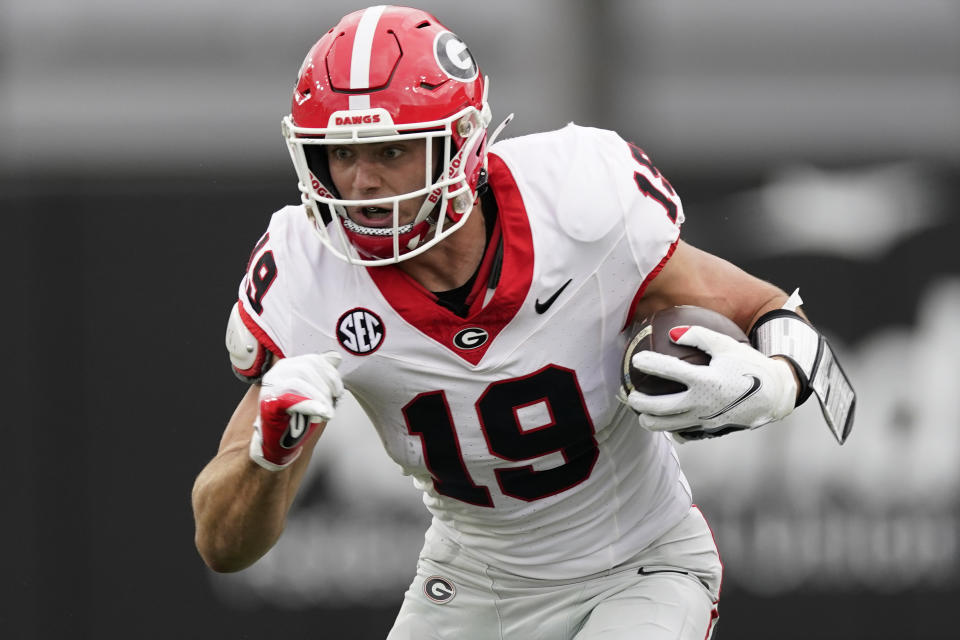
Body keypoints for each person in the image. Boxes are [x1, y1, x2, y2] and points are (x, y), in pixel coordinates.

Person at [191, 6, 854, 639]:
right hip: (475, 580)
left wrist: (776, 380)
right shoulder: (310, 275)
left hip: (640, 565)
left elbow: (769, 310)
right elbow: (221, 547)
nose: (362, 183)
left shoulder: (578, 203)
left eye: (391, 151)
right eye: (342, 154)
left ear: (458, 144)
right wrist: (265, 460)